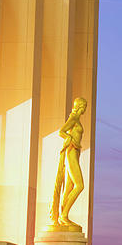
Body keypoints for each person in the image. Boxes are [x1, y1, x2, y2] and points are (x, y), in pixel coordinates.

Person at [50, 97, 87, 230]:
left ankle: (62, 215)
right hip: (71, 152)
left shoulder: (76, 119)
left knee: (70, 187)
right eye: (84, 106)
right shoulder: (74, 119)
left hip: (75, 152)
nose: (85, 109)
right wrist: (70, 139)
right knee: (80, 185)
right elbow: (62, 131)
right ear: (80, 106)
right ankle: (63, 215)